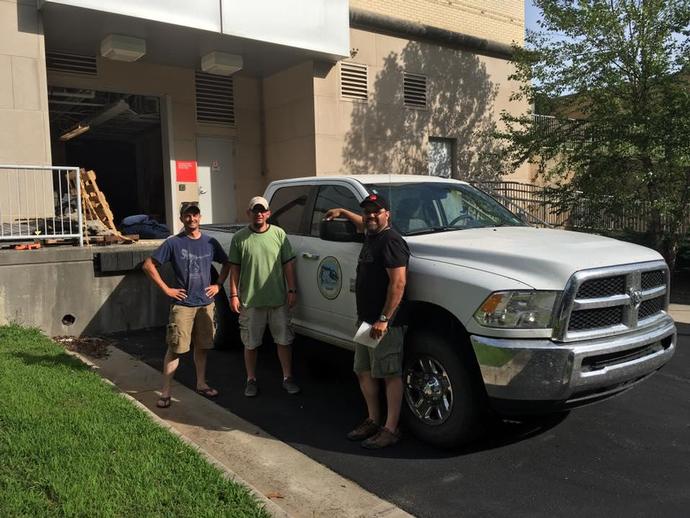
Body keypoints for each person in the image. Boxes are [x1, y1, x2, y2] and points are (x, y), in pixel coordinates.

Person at [324, 193, 410, 449]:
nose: (371, 215)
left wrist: (384, 319)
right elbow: (363, 223)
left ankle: (390, 429)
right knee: (363, 370)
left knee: (389, 374)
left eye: (377, 210)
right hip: (366, 320)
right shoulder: (372, 236)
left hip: (385, 323)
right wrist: (342, 210)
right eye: (367, 211)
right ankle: (373, 419)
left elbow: (399, 283)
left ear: (388, 214)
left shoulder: (391, 241)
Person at [142, 203, 230, 409]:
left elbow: (227, 263)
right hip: (182, 305)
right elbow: (148, 265)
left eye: (195, 215)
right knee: (175, 349)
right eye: (187, 216)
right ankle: (165, 392)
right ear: (182, 219)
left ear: (200, 217)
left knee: (202, 347)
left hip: (205, 304)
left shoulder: (210, 242)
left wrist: (218, 285)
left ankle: (201, 383)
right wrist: (167, 289)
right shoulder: (173, 243)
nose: (191, 219)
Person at [228, 196, 300, 397]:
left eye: (263, 210)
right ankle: (251, 379)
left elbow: (288, 264)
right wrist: (233, 294)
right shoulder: (239, 238)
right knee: (250, 343)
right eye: (255, 210)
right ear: (248, 213)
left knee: (284, 341)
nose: (259, 214)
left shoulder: (279, 234)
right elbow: (235, 268)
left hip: (278, 300)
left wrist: (292, 290)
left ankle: (287, 377)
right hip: (250, 301)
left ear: (268, 213)